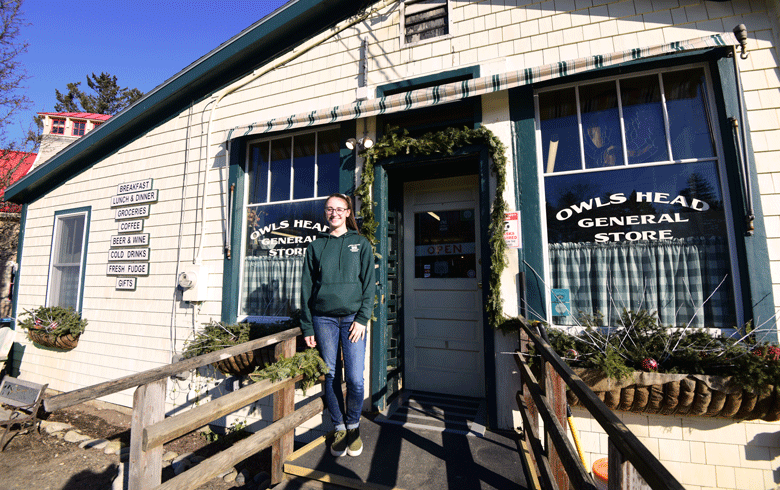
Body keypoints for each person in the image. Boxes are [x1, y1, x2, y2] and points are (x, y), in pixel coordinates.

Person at [300, 193, 375, 457]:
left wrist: (363, 318)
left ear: (348, 212)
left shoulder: (360, 243)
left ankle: (354, 424)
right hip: (324, 319)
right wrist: (308, 326)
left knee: (355, 379)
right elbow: (306, 288)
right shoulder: (315, 246)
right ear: (325, 213)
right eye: (330, 209)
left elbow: (369, 285)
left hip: (354, 321)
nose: (334, 213)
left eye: (339, 209)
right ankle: (339, 426)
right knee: (331, 375)